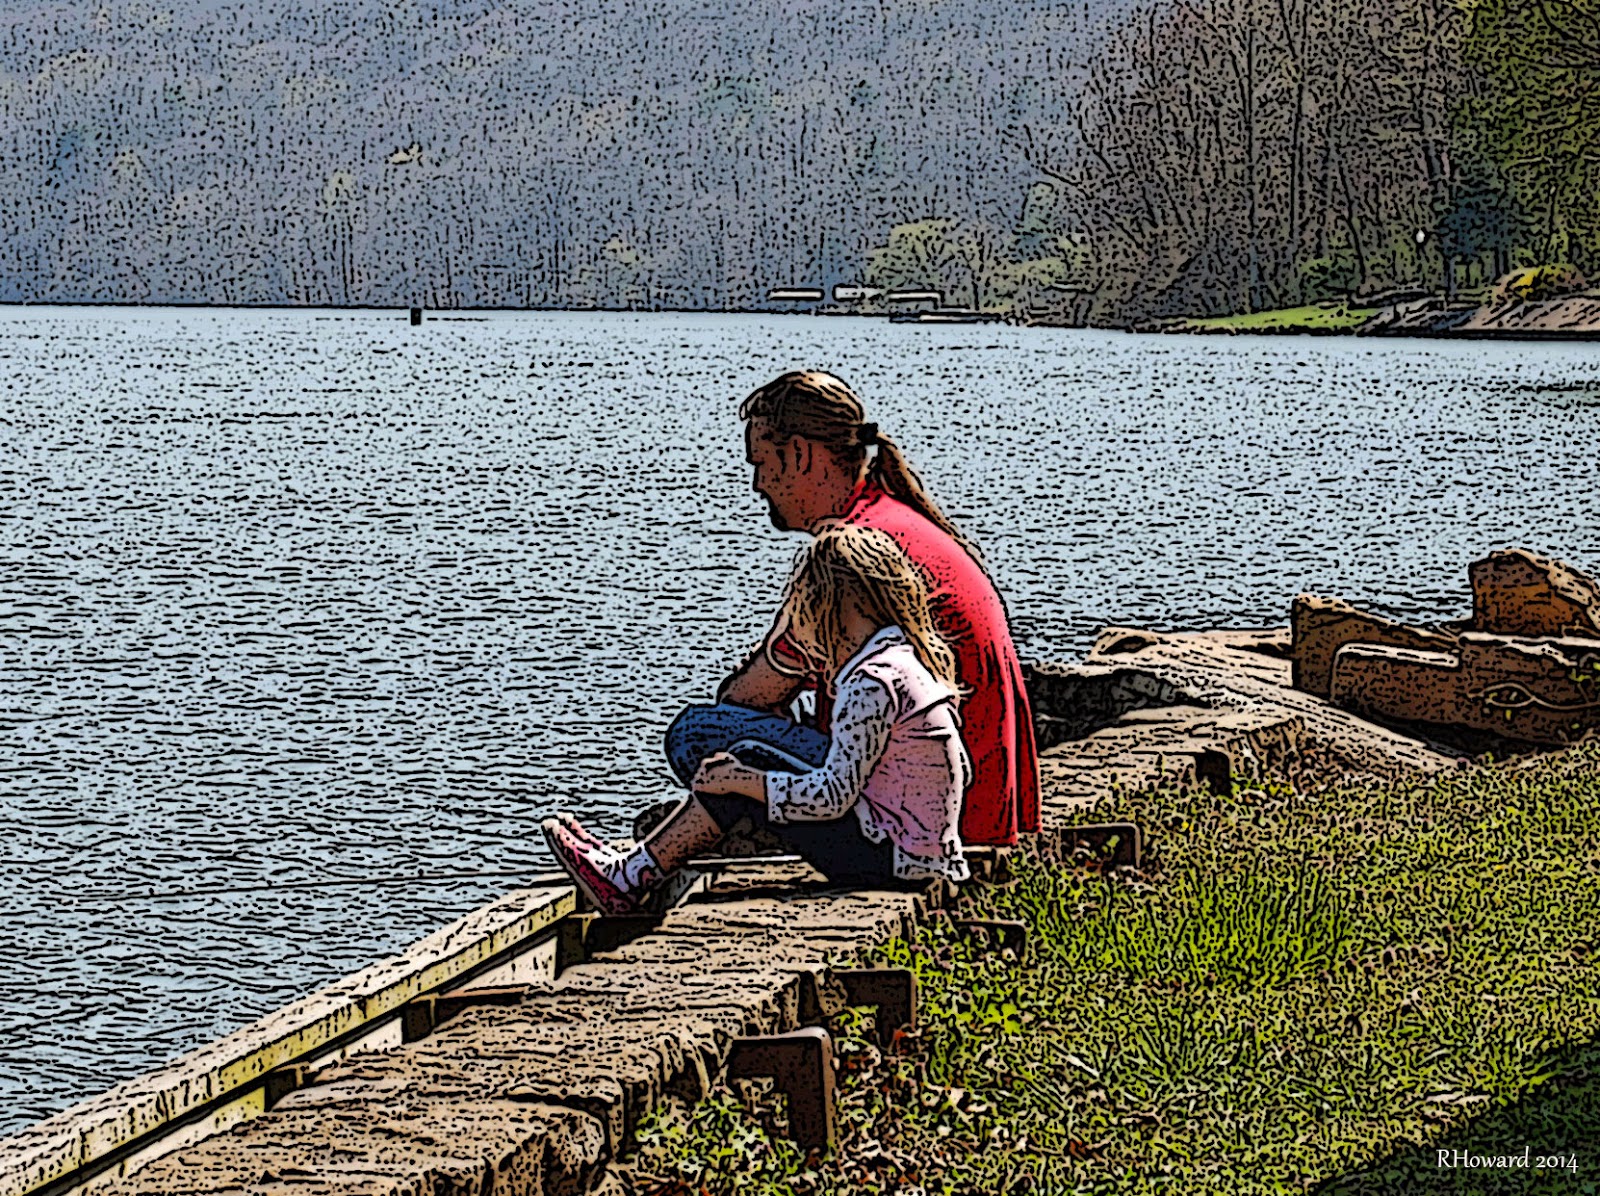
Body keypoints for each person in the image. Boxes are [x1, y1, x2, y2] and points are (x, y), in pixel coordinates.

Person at [666, 369, 1039, 848]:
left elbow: (747, 695)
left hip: (925, 822)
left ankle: (654, 861)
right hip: (979, 801)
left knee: (697, 733)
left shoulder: (849, 557)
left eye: (761, 463)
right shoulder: (896, 521)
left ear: (800, 454)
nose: (758, 484)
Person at [544, 525, 972, 914]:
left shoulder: (870, 682)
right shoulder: (906, 662)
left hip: (888, 862)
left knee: (746, 762)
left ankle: (629, 876)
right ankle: (635, 864)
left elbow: (834, 796)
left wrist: (745, 781)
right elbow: (959, 770)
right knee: (746, 767)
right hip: (923, 856)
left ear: (829, 607)